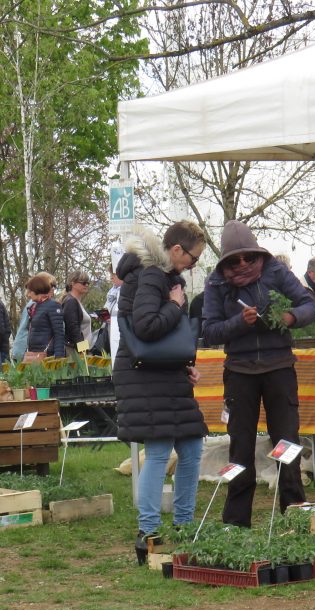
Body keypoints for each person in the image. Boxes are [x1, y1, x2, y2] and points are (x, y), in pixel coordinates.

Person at [201, 220, 315, 527]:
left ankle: (294, 513)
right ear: (225, 260)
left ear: (257, 254)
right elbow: (209, 331)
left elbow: (309, 305)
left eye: (248, 257)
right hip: (239, 372)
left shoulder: (276, 272)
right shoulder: (215, 283)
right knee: (240, 446)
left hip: (279, 367)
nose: (242, 263)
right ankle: (236, 522)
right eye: (234, 259)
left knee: (287, 442)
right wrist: (240, 322)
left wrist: (289, 316)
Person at [114, 222, 209, 564]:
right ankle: (149, 532)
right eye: (193, 258)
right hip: (145, 378)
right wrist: (173, 304)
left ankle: (184, 528)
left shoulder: (167, 278)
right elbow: (147, 327)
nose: (194, 264)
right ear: (176, 250)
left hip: (165, 375)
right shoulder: (153, 275)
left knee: (191, 446)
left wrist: (186, 363)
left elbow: (168, 338)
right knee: (157, 452)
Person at [11, 272, 56, 361]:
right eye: (52, 285)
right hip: (26, 352)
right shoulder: (35, 304)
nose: (53, 289)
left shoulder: (37, 303)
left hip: (25, 350)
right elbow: (26, 329)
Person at [23, 273, 65, 358]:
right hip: (34, 353)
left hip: (48, 355)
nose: (28, 295)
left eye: (30, 291)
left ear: (37, 290)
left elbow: (59, 333)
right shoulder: (34, 306)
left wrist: (58, 358)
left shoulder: (53, 305)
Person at [61, 270, 93, 353]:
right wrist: (83, 350)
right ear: (73, 283)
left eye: (87, 283)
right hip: (74, 351)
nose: (86, 285)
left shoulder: (76, 301)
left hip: (79, 348)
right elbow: (73, 329)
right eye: (83, 283)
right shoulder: (71, 301)